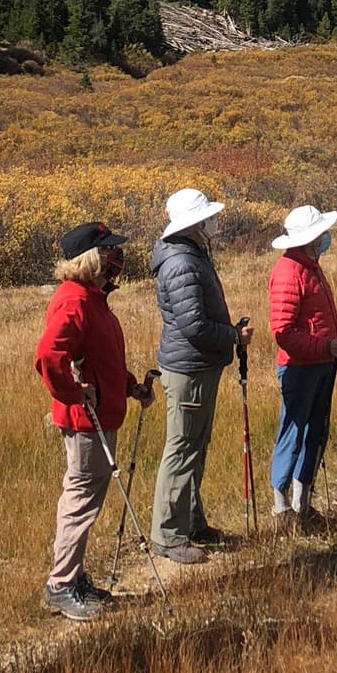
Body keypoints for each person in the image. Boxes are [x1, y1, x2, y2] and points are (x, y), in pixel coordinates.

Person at [36, 221, 156, 619]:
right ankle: (61, 584)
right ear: (90, 258)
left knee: (86, 499)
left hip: (100, 414)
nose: (116, 258)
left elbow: (101, 361)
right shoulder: (74, 301)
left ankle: (73, 576)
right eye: (108, 252)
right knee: (80, 499)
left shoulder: (92, 298)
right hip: (85, 420)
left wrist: (130, 387)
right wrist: (74, 394)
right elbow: (49, 358)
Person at [148, 188, 251, 566]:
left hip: (197, 365)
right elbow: (193, 325)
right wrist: (232, 337)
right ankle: (168, 535)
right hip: (190, 367)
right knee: (182, 447)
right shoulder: (182, 262)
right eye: (207, 217)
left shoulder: (190, 255)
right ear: (192, 224)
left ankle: (191, 520)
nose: (213, 222)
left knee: (195, 443)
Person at [267, 204, 337, 528]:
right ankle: (281, 506)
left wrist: (329, 345)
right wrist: (324, 345)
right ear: (311, 238)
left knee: (316, 431)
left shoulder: (310, 266)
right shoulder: (289, 272)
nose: (327, 238)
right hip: (300, 368)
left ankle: (303, 503)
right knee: (294, 432)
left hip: (321, 363)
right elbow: (283, 333)